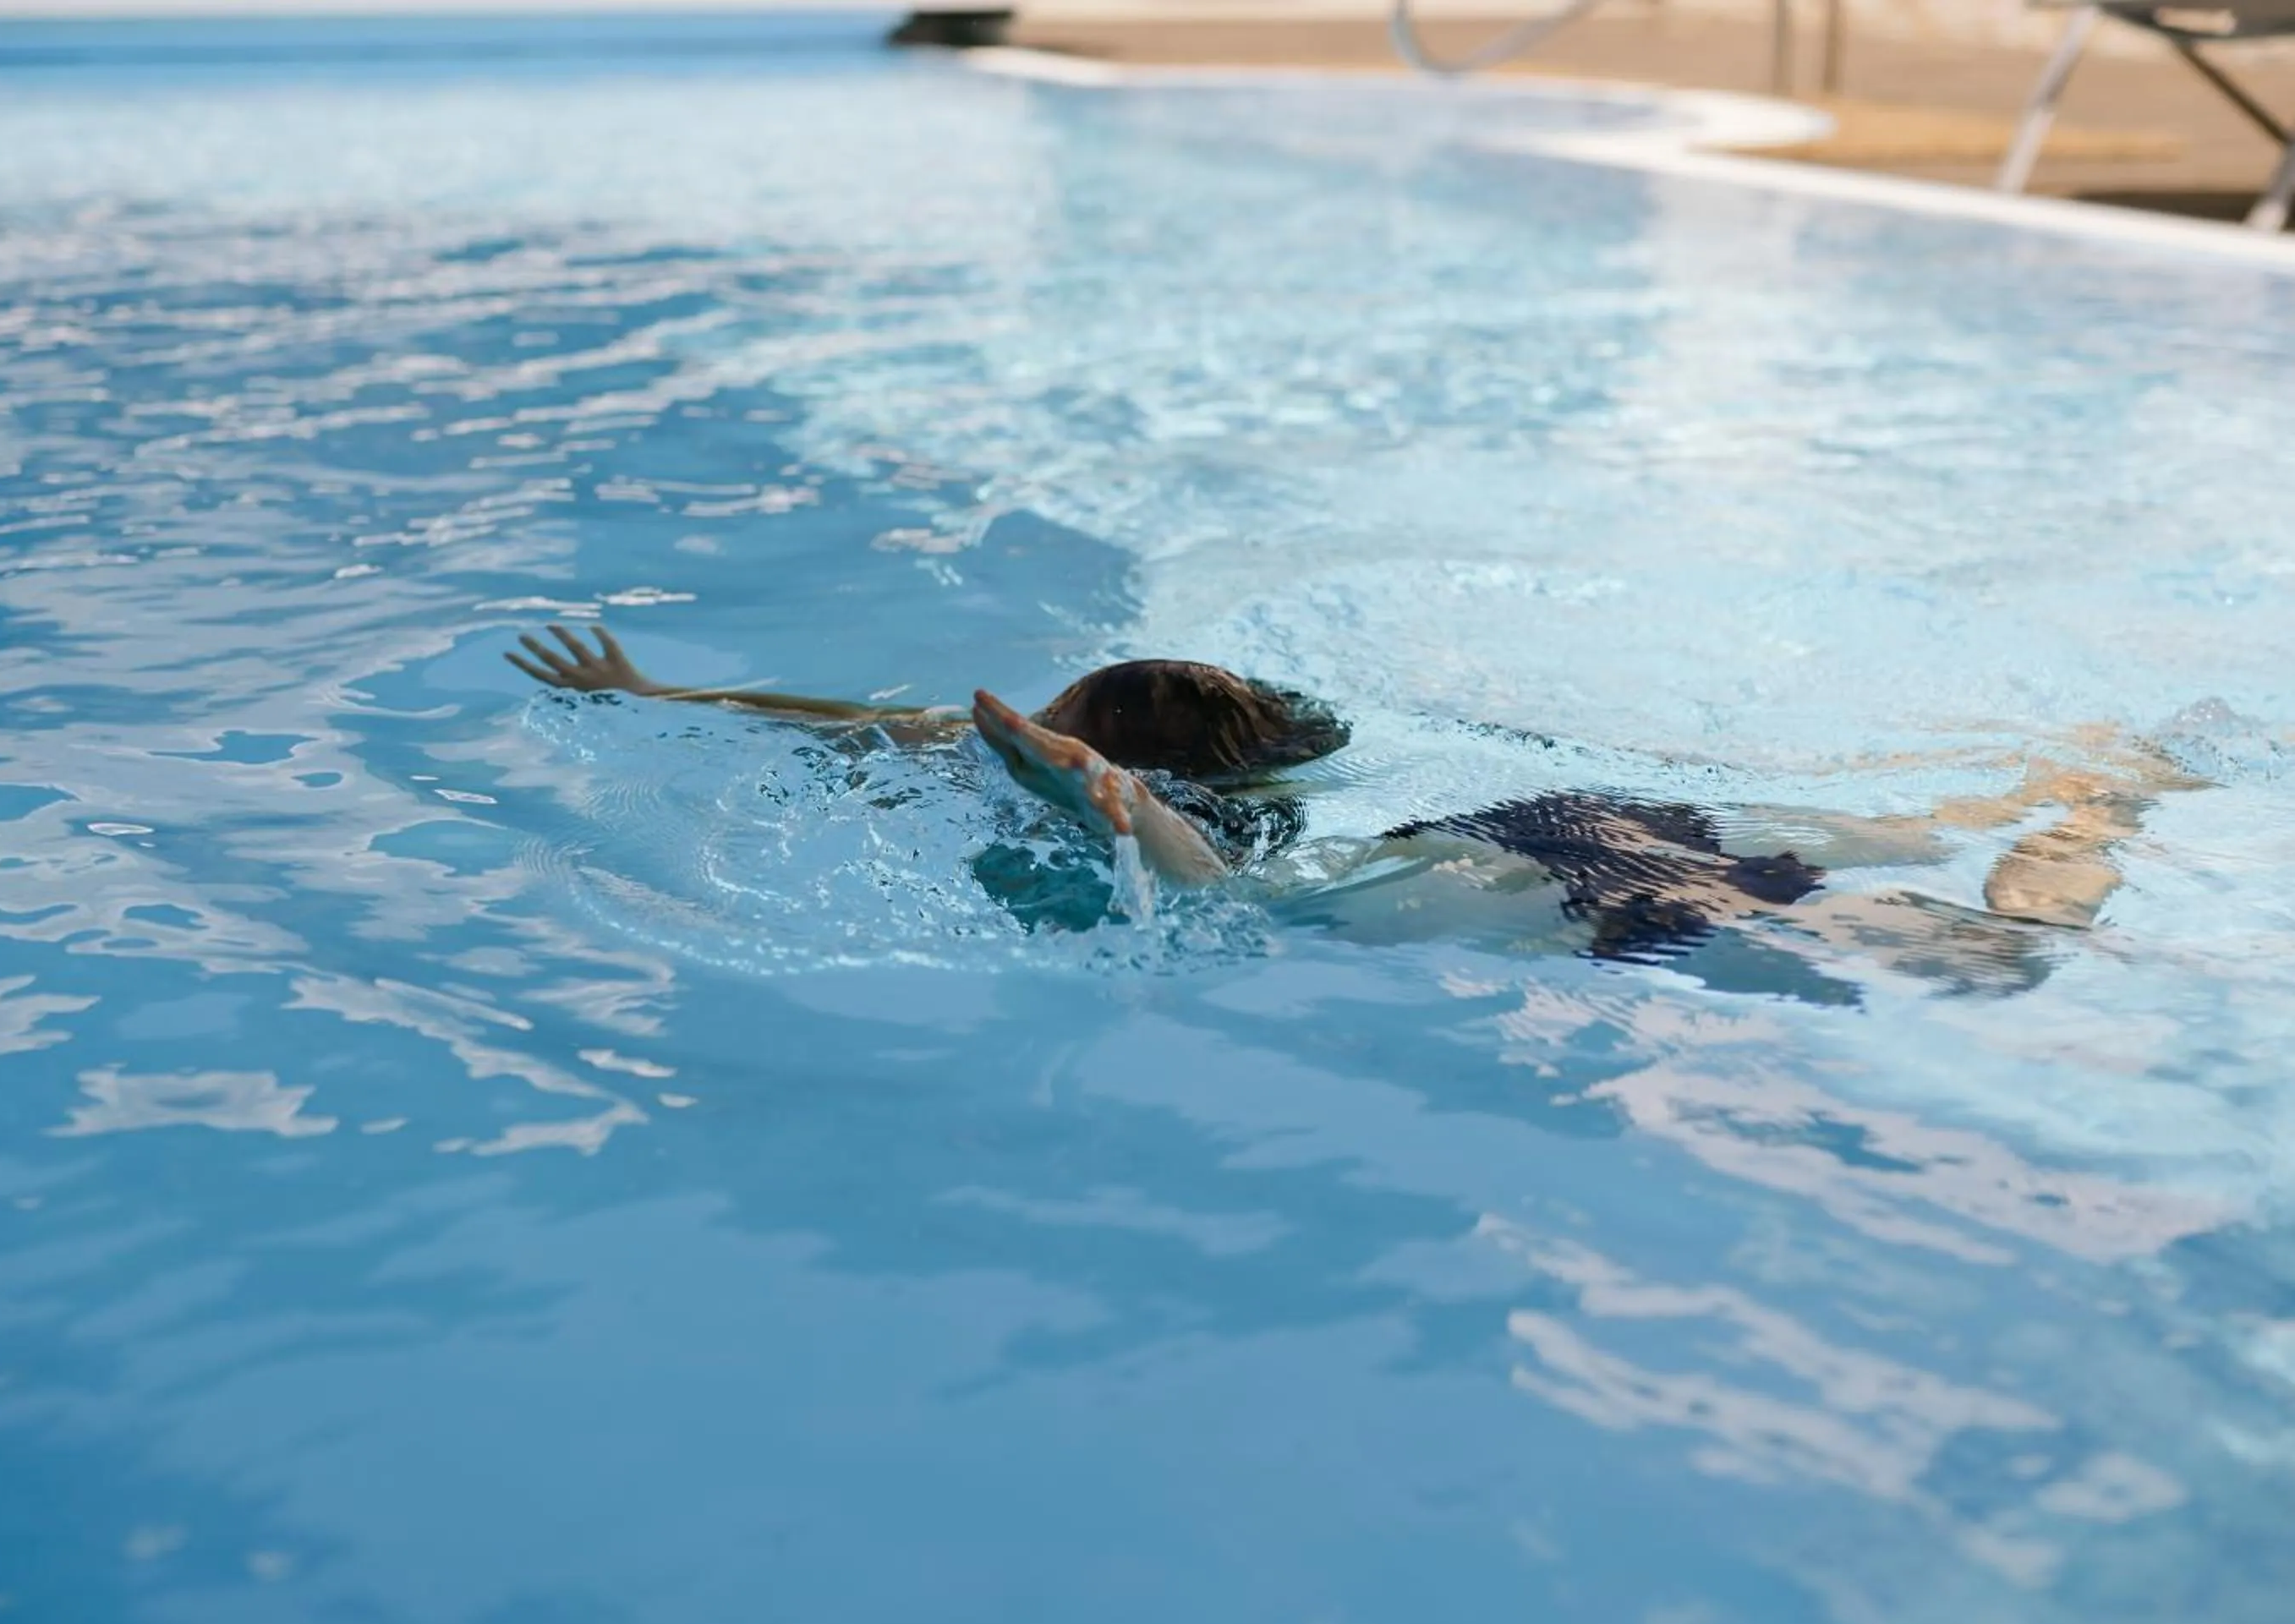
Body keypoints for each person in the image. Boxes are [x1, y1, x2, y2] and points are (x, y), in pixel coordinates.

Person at [509, 620, 2198, 986]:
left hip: (1534, 886)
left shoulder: (1224, 840)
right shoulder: (1309, 768)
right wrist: (677, 694)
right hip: (1561, 814)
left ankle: (2099, 816)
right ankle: (2058, 786)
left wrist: (1064, 767)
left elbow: (1131, 819)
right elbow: (886, 719)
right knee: (1886, 846)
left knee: (1999, 963)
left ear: (1127, 761)